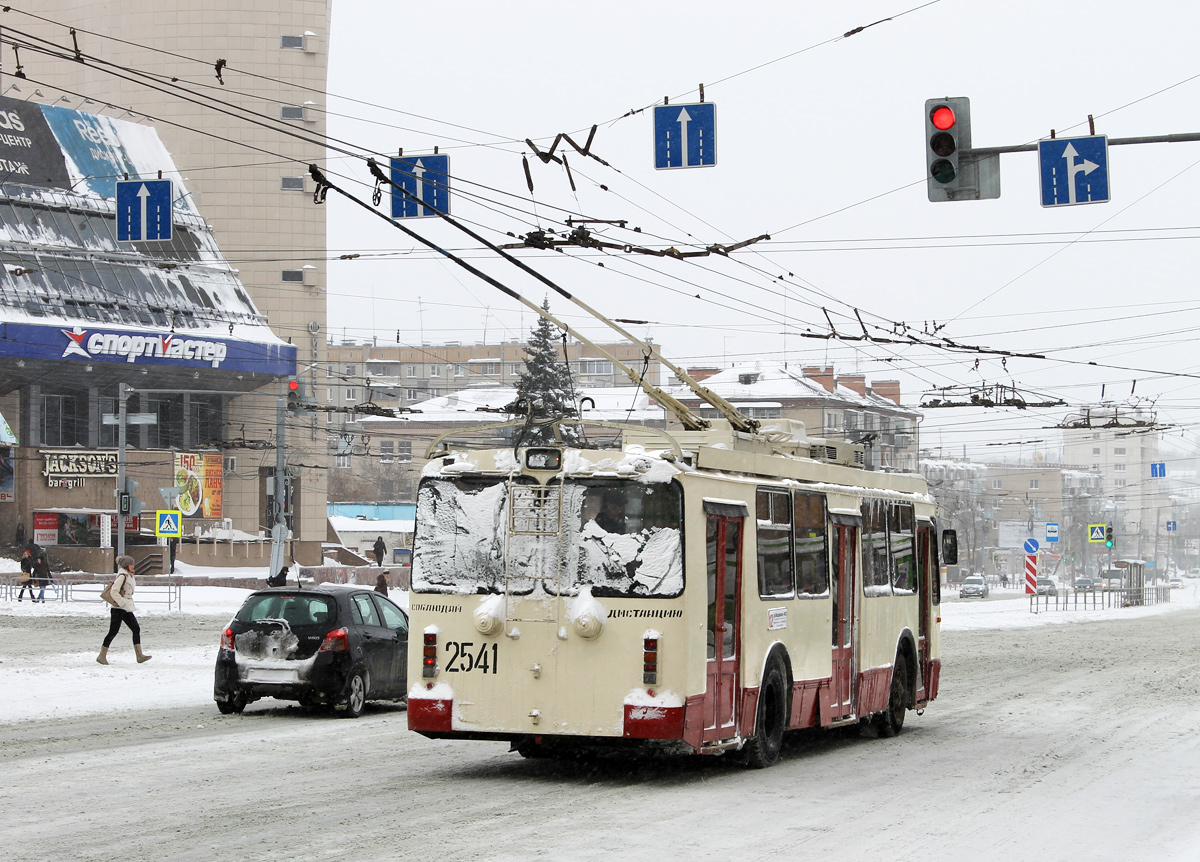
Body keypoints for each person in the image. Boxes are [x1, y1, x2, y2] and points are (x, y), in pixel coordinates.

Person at [97, 555, 151, 665]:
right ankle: (102, 656)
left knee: (135, 628)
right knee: (113, 631)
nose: (133, 566)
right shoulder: (122, 575)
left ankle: (139, 655)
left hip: (125, 608)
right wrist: (122, 603)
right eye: (131, 564)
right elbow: (114, 592)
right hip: (119, 608)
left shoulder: (128, 575)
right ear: (126, 566)